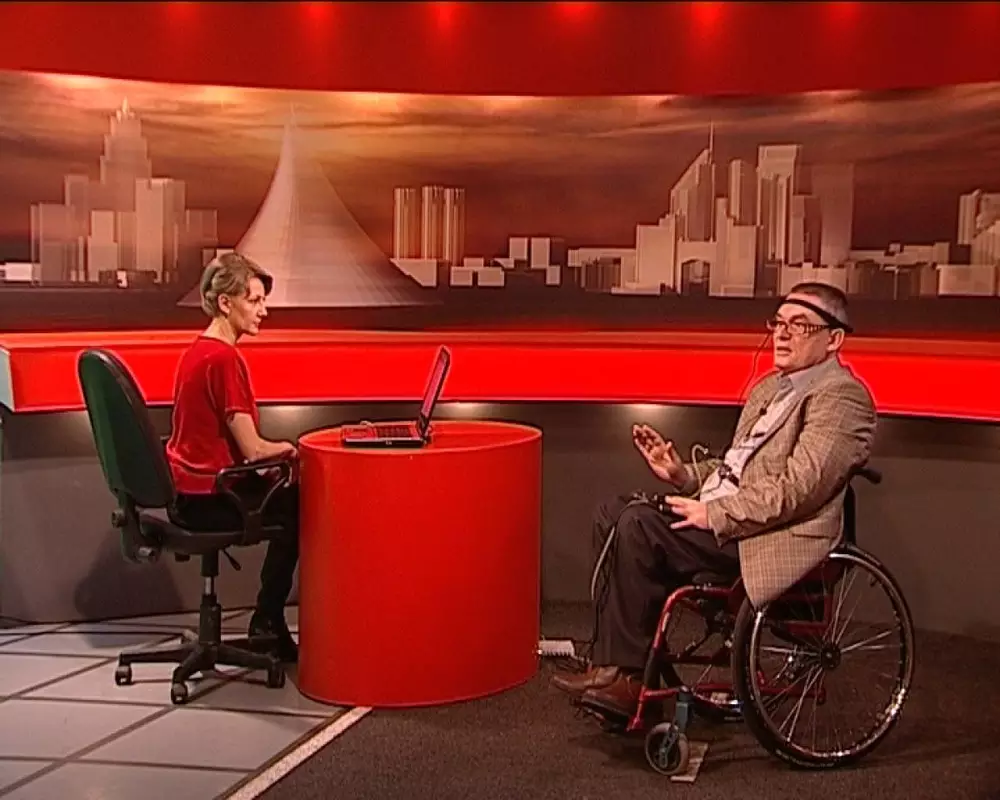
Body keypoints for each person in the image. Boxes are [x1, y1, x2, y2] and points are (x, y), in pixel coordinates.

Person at [552, 282, 877, 721]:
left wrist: (716, 513)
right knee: (612, 512)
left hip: (769, 535)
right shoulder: (770, 389)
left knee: (638, 526)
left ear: (834, 338)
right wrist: (684, 475)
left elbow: (799, 488)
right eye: (778, 323)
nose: (782, 334)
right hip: (731, 518)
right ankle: (612, 667)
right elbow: (738, 469)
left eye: (800, 325)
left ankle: (625, 679)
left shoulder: (842, 396)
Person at [165, 252, 300, 663]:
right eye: (254, 300)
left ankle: (268, 620)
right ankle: (267, 621)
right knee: (299, 508)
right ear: (225, 302)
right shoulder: (224, 359)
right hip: (210, 497)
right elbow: (254, 449)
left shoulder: (197, 352)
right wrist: (295, 449)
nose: (264, 310)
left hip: (186, 494)